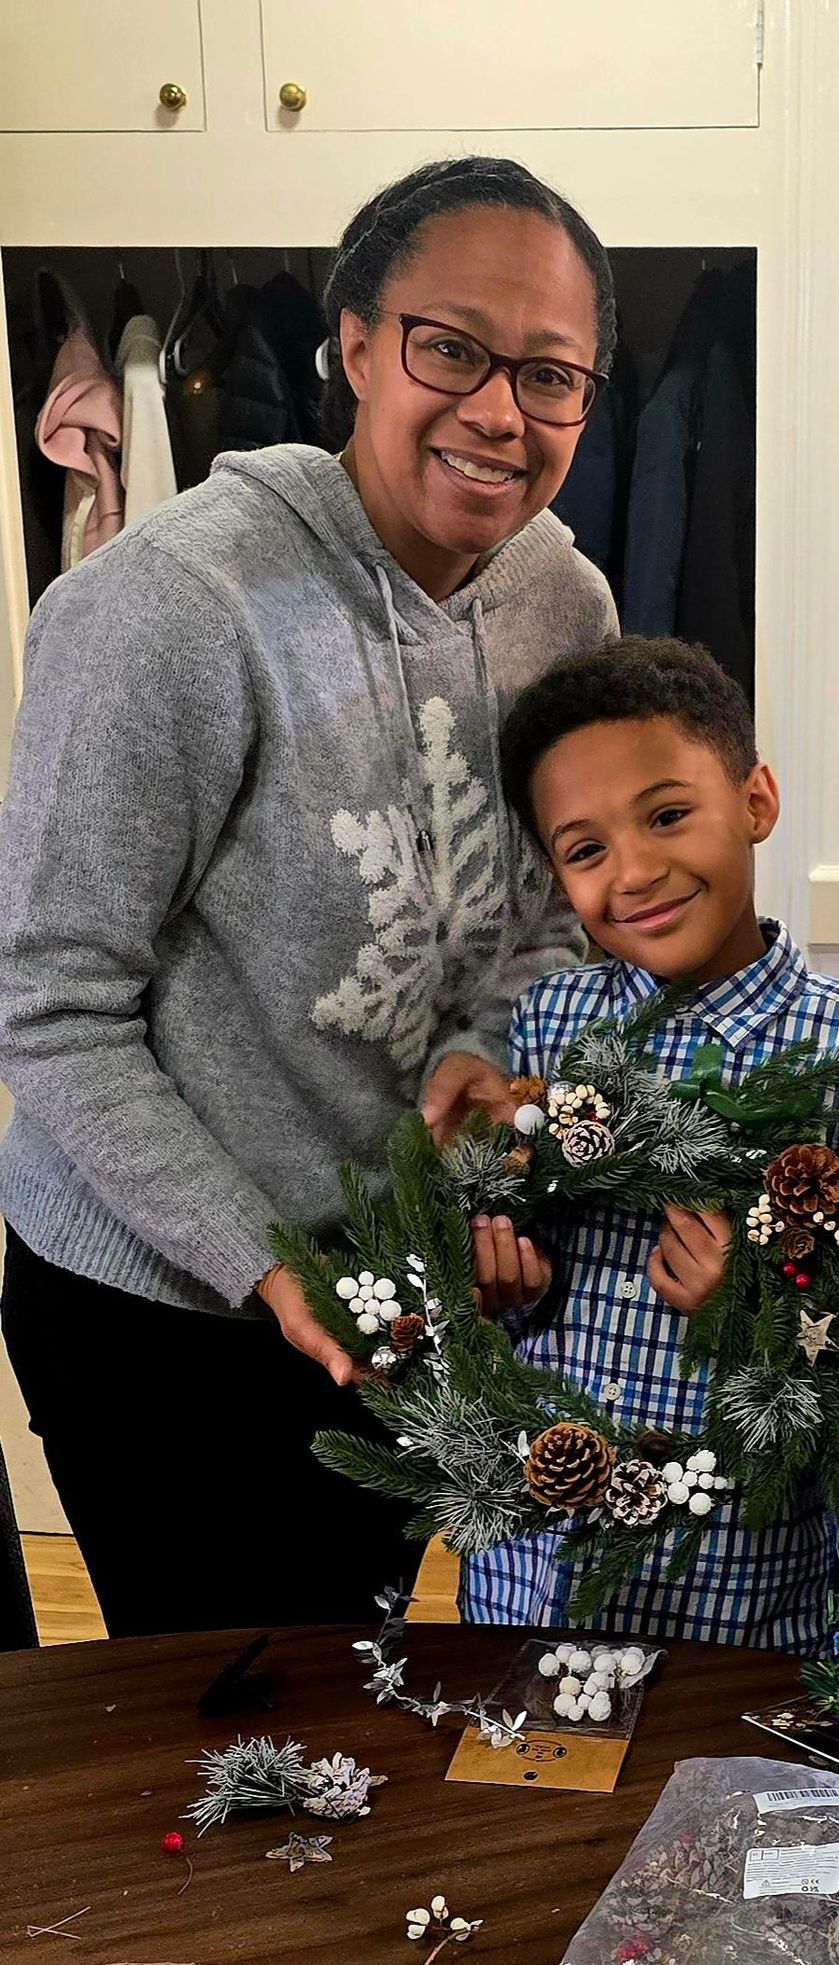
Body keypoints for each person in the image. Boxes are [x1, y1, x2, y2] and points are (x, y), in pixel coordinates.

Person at [0, 158, 621, 1636]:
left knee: (366, 1677)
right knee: (229, 1708)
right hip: (157, 1304)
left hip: (397, 1276)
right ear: (353, 344)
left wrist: (483, 1066)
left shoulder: (566, 603)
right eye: (452, 349)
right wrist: (263, 1259)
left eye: (550, 375)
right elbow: (52, 1005)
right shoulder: (171, 608)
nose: (500, 412)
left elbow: (554, 907)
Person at [461, 637, 839, 1652]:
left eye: (668, 815)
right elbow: (519, 1230)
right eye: (585, 851)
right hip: (535, 1567)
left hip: (745, 1581)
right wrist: (508, 1275)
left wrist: (762, 1304)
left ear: (756, 800)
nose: (636, 871)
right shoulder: (551, 1022)